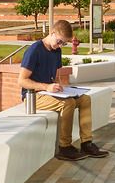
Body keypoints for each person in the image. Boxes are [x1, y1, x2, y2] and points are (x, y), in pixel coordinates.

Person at [18, 18, 108, 161]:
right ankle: (64, 147)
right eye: (59, 41)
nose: (60, 45)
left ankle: (86, 143)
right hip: (33, 96)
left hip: (49, 92)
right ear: (52, 33)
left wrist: (62, 88)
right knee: (68, 103)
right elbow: (22, 80)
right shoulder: (34, 50)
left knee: (85, 99)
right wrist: (46, 87)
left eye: (64, 43)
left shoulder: (56, 51)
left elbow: (56, 75)